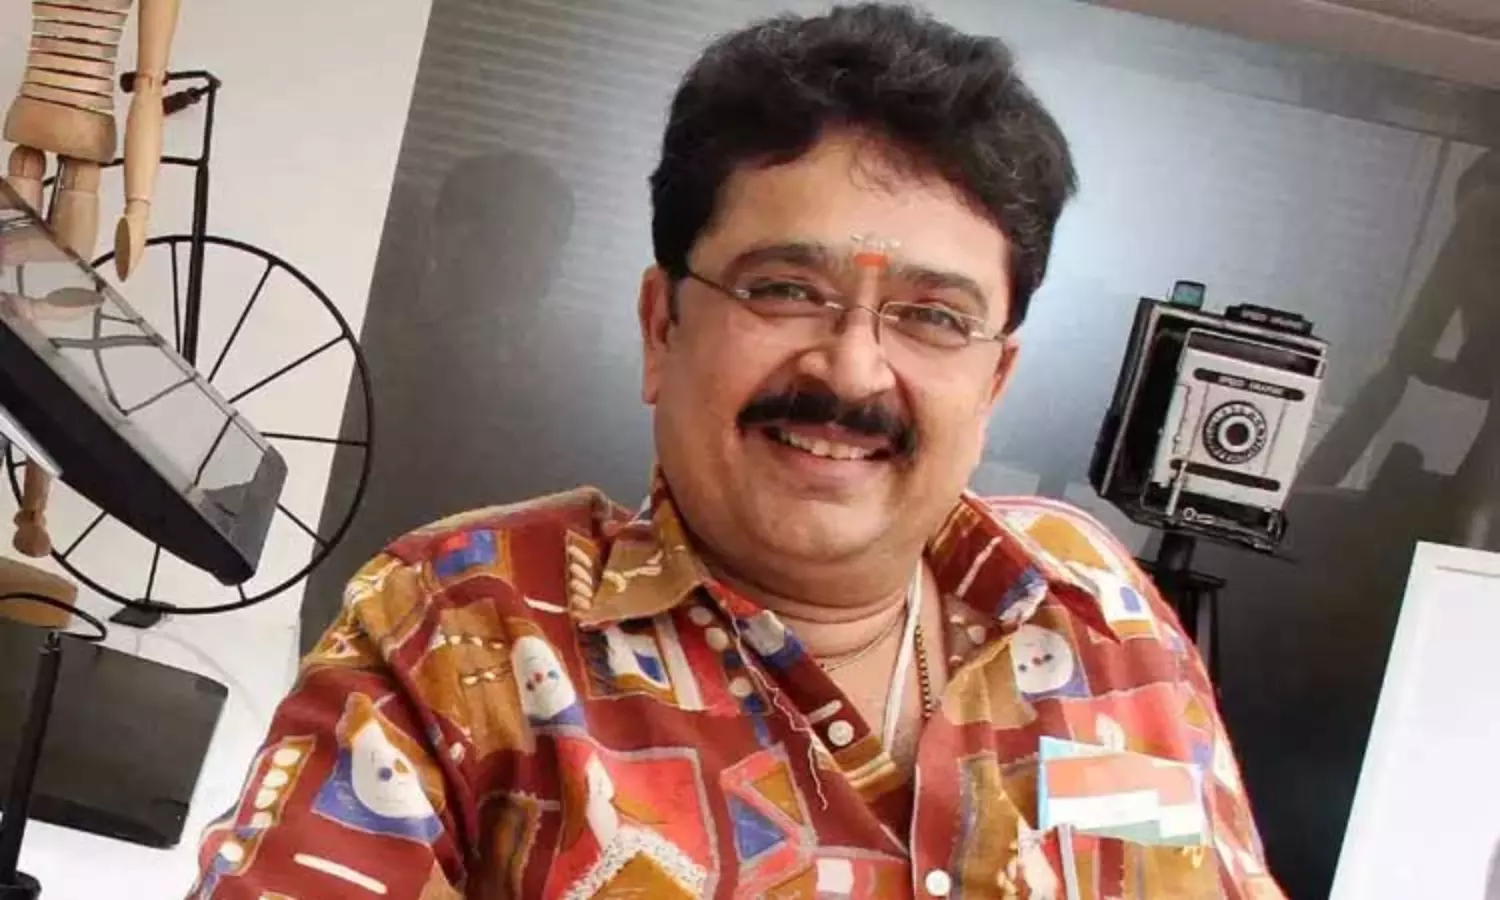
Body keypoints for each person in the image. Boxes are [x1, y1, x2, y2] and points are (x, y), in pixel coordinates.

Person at [189, 5, 1284, 898]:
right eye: (786, 289)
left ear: (993, 381)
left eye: (932, 316)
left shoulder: (1099, 606)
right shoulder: (463, 633)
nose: (853, 371)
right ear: (661, 327)